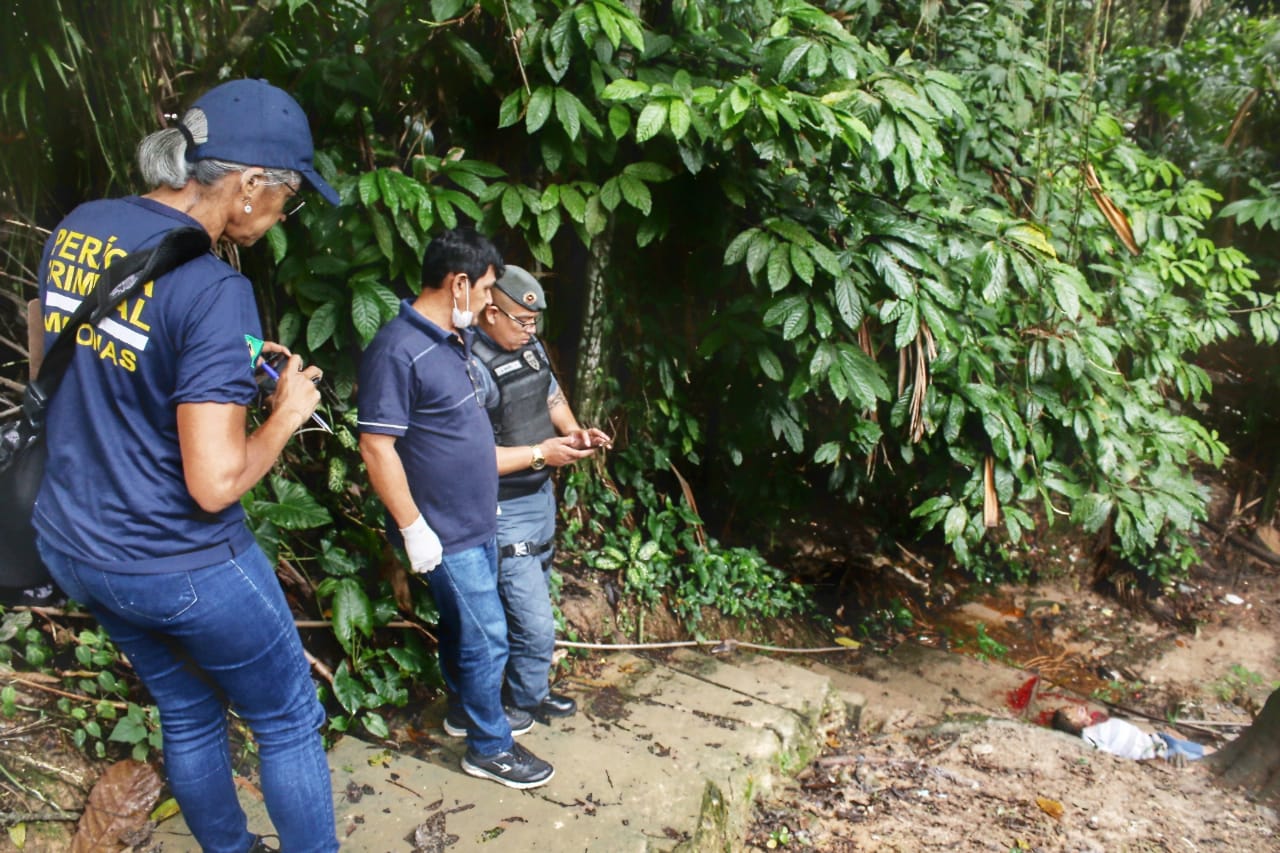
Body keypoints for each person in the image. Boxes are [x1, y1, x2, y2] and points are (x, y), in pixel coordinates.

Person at [33, 79, 340, 852]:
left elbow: (52, 367)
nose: (282, 214)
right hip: (182, 562)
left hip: (78, 544)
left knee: (190, 710)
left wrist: (214, 370)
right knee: (289, 718)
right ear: (245, 187)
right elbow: (213, 481)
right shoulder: (214, 288)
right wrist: (284, 416)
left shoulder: (79, 227)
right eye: (288, 196)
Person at [357, 229, 555, 790]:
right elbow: (376, 445)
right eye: (489, 287)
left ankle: (465, 712)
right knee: (489, 634)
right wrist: (413, 528)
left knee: (464, 628)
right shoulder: (398, 349)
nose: (493, 301)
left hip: (476, 519)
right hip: (442, 530)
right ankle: (490, 747)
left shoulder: (452, 338)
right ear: (459, 282)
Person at [470, 265, 610, 723]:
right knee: (532, 622)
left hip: (539, 499)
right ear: (491, 312)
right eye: (522, 322)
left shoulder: (528, 347)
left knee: (532, 606)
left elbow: (549, 395)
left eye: (535, 324)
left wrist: (574, 435)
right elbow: (470, 458)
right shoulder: (470, 366)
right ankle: (509, 710)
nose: (531, 332)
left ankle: (529, 693)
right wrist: (540, 454)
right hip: (501, 508)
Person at [1051, 705, 1212, 765]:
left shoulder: (1097, 725)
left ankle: (1210, 754)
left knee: (1203, 750)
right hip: (1156, 751)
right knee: (1198, 756)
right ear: (1070, 719)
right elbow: (1105, 754)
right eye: (1072, 708)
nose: (1080, 707)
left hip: (1157, 739)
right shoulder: (1089, 735)